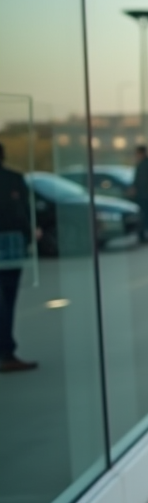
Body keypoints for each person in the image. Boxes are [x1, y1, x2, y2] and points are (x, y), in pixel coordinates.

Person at [0, 143, 36, 373]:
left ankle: (5, 351)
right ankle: (5, 352)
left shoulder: (14, 179)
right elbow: (21, 211)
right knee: (6, 297)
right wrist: (30, 236)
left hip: (11, 240)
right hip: (10, 241)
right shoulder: (13, 179)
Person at [132, 145, 148, 243]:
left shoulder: (147, 164)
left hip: (145, 194)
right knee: (144, 215)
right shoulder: (142, 163)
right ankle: (144, 236)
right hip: (142, 193)